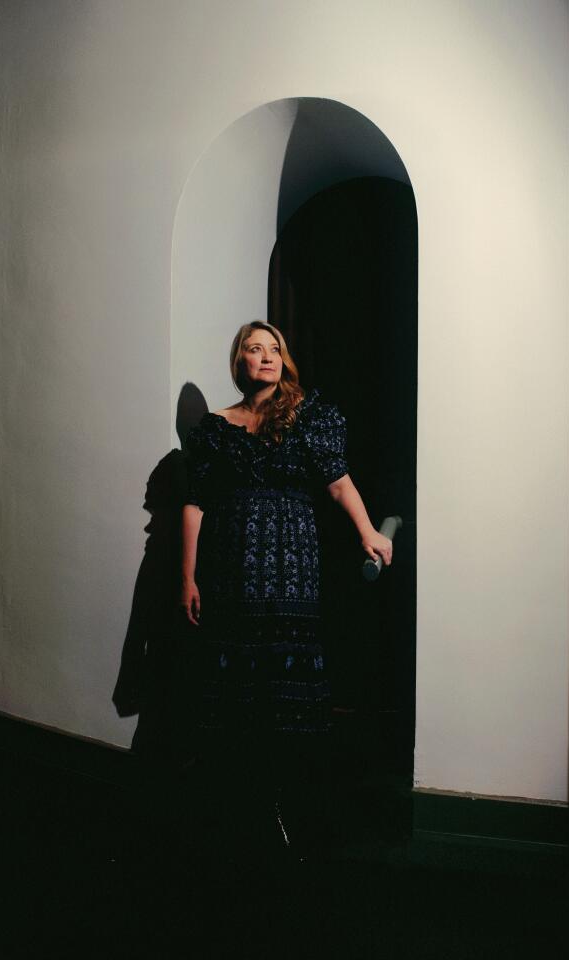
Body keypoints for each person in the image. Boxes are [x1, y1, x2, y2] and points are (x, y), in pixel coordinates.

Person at [180, 321, 392, 854]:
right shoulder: (213, 428)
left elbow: (338, 483)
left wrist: (367, 530)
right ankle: (241, 802)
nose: (267, 357)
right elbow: (195, 503)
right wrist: (187, 576)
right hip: (231, 567)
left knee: (286, 684)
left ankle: (289, 800)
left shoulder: (307, 416)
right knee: (235, 688)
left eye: (275, 349)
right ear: (240, 363)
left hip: (290, 563)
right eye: (255, 349)